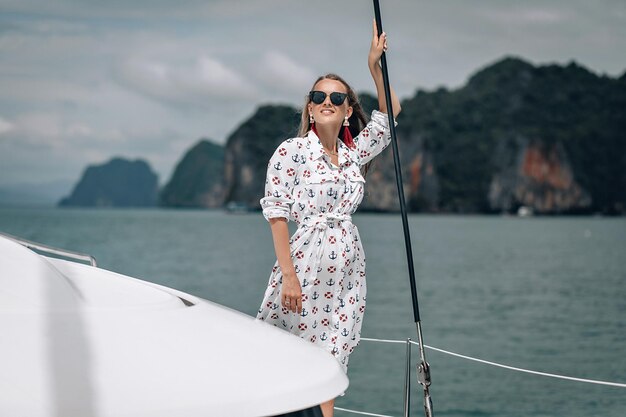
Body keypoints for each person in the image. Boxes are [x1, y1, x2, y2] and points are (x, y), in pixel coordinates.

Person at [256, 20, 401, 417]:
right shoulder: (292, 151)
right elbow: (277, 213)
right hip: (305, 264)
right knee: (288, 349)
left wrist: (375, 65)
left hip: (348, 269)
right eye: (318, 95)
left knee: (332, 357)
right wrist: (288, 275)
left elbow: (391, 117)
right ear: (309, 106)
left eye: (337, 98)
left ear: (348, 109)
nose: (327, 101)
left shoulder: (353, 155)